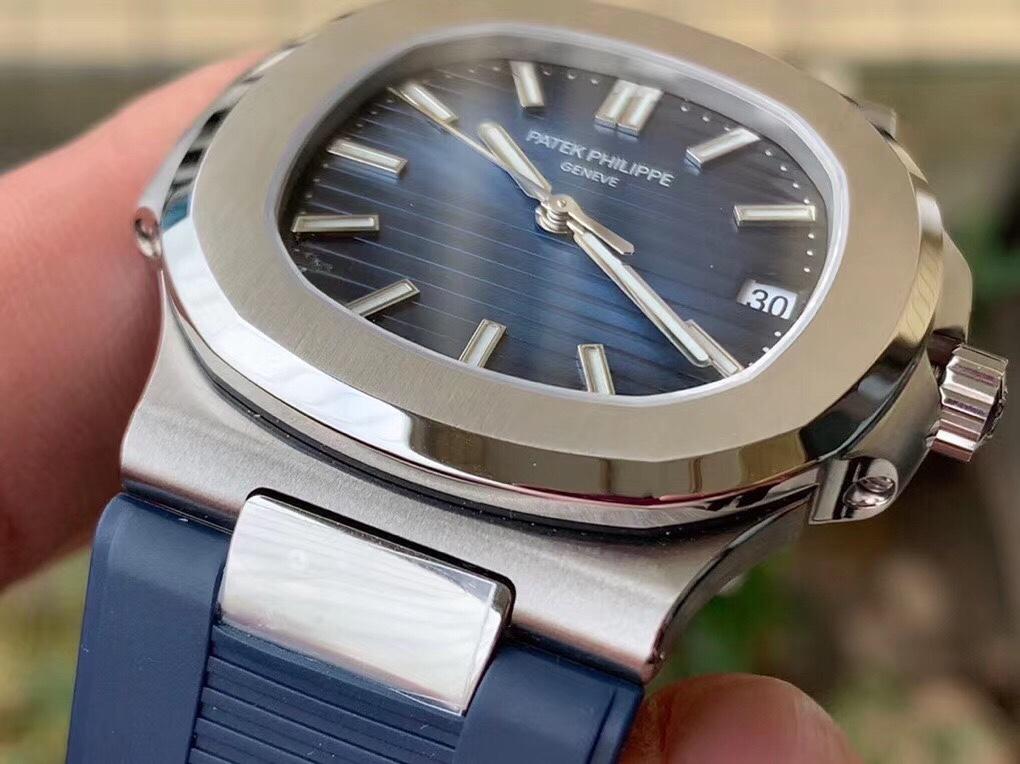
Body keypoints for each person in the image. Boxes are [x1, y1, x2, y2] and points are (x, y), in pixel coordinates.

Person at [0, 58, 860, 764]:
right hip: (224, 450)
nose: (559, 214)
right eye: (552, 205)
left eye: (565, 214)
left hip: (573, 586)